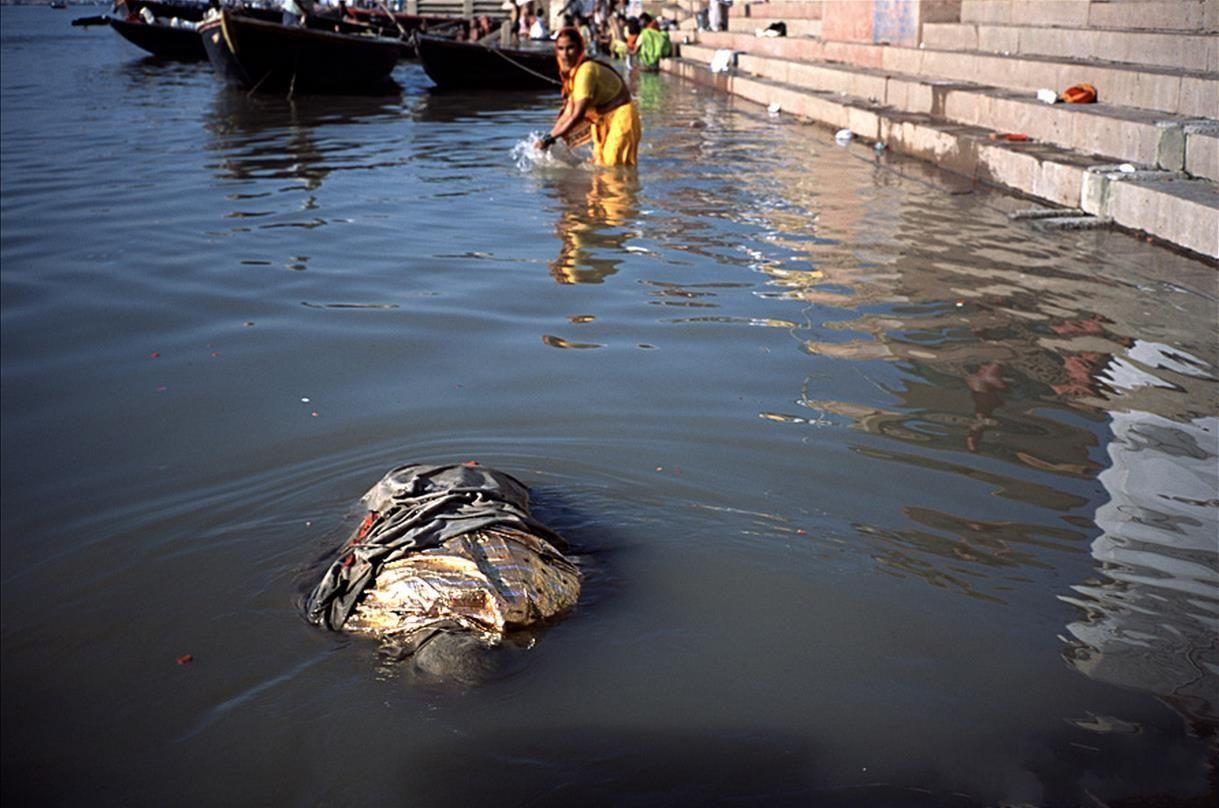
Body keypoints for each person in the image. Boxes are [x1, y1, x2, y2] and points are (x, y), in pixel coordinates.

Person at [540, 27, 641, 167]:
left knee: (613, 168)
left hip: (621, 117)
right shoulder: (572, 76)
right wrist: (547, 138)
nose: (565, 54)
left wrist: (550, 139)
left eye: (570, 48)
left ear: (580, 49)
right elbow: (568, 113)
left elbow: (577, 114)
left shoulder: (585, 71)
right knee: (600, 167)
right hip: (602, 121)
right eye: (561, 49)